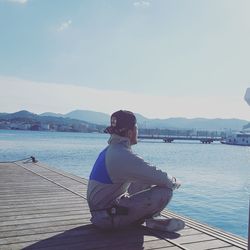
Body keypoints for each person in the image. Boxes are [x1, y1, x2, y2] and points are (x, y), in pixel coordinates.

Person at [87, 110, 185, 231]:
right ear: (130, 132)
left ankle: (149, 218)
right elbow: (161, 178)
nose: (137, 132)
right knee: (165, 191)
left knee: (144, 180)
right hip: (107, 217)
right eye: (136, 129)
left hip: (102, 211)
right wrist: (175, 181)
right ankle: (150, 219)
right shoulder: (121, 155)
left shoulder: (112, 150)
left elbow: (148, 173)